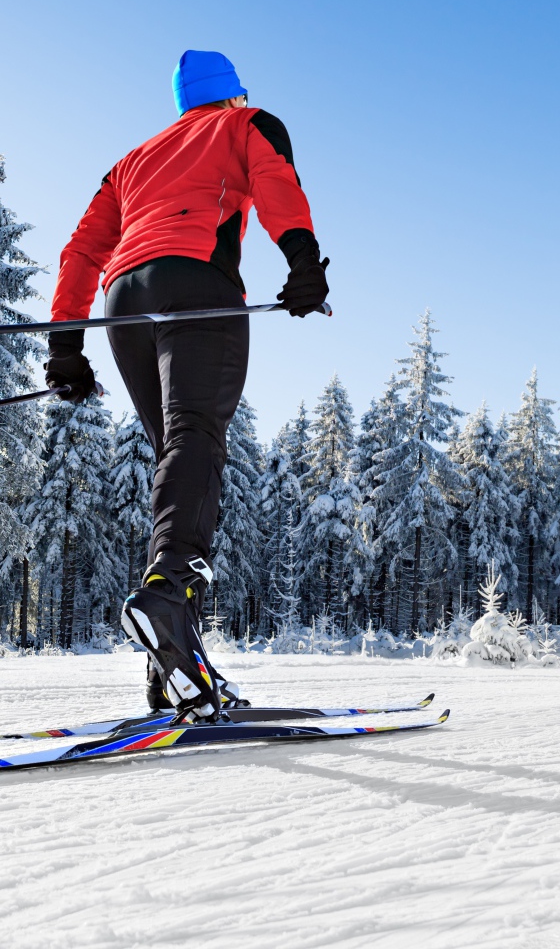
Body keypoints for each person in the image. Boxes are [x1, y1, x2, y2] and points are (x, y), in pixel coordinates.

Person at [46, 50, 329, 720]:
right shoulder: (247, 122)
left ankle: (174, 669)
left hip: (124, 300)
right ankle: (170, 595)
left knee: (177, 459)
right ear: (231, 94)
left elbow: (82, 248)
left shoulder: (132, 159)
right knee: (195, 442)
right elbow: (276, 182)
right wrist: (303, 263)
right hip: (197, 285)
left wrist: (65, 347)